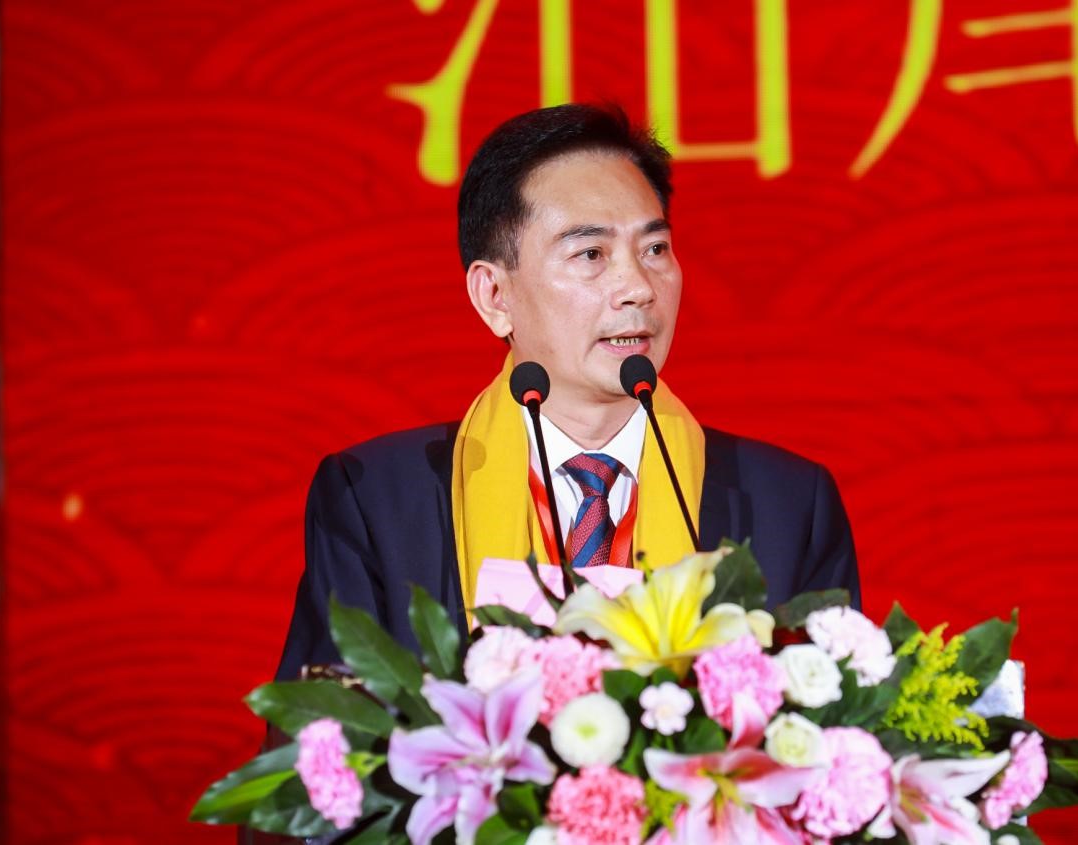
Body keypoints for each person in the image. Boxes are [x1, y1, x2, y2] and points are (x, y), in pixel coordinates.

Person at [275, 104, 859, 680]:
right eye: (590, 254)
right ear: (495, 296)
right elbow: (323, 729)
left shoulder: (788, 506)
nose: (638, 287)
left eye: (654, 249)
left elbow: (841, 720)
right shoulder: (377, 501)